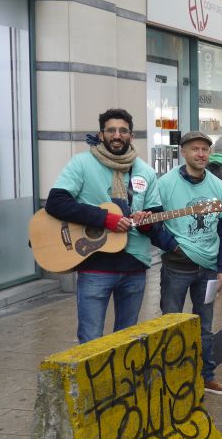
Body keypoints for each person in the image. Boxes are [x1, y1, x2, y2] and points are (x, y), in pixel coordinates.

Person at [44, 108, 161, 344]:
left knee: (127, 340)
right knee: (90, 339)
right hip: (95, 263)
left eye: (123, 131)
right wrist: (104, 219)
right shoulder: (82, 164)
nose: (117, 135)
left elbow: (156, 218)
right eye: (111, 130)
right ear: (101, 134)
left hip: (134, 266)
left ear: (131, 136)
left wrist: (145, 223)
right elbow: (56, 203)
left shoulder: (146, 172)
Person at [155, 131, 222, 394]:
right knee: (171, 325)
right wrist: (174, 247)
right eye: (195, 149)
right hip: (176, 267)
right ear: (183, 152)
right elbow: (152, 223)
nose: (200, 154)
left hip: (208, 269)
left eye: (204, 150)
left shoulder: (217, 185)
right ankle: (171, 378)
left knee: (205, 327)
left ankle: (206, 376)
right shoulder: (165, 184)